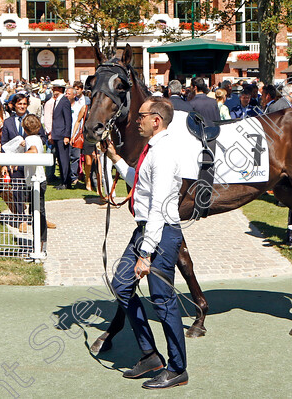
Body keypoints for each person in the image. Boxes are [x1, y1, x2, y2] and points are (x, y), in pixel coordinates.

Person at [104, 97, 189, 389]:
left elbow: (160, 206)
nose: (135, 120)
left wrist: (146, 253)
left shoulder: (163, 153)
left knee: (163, 301)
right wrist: (115, 158)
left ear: (157, 120)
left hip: (160, 231)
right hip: (147, 230)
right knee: (122, 285)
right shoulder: (151, 150)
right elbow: (138, 182)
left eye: (140, 116)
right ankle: (150, 354)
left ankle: (178, 368)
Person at [23, 114, 52, 246]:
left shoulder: (30, 139)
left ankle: (40, 242)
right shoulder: (38, 138)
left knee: (37, 212)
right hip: (40, 178)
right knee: (38, 211)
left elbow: (33, 151)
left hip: (36, 180)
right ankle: (40, 241)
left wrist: (19, 156)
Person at [49, 87, 73, 189]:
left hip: (62, 135)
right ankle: (63, 180)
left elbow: (68, 120)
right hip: (57, 134)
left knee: (64, 159)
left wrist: (67, 135)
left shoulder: (64, 101)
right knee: (60, 159)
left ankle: (66, 182)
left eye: (55, 88)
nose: (53, 90)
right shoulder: (57, 101)